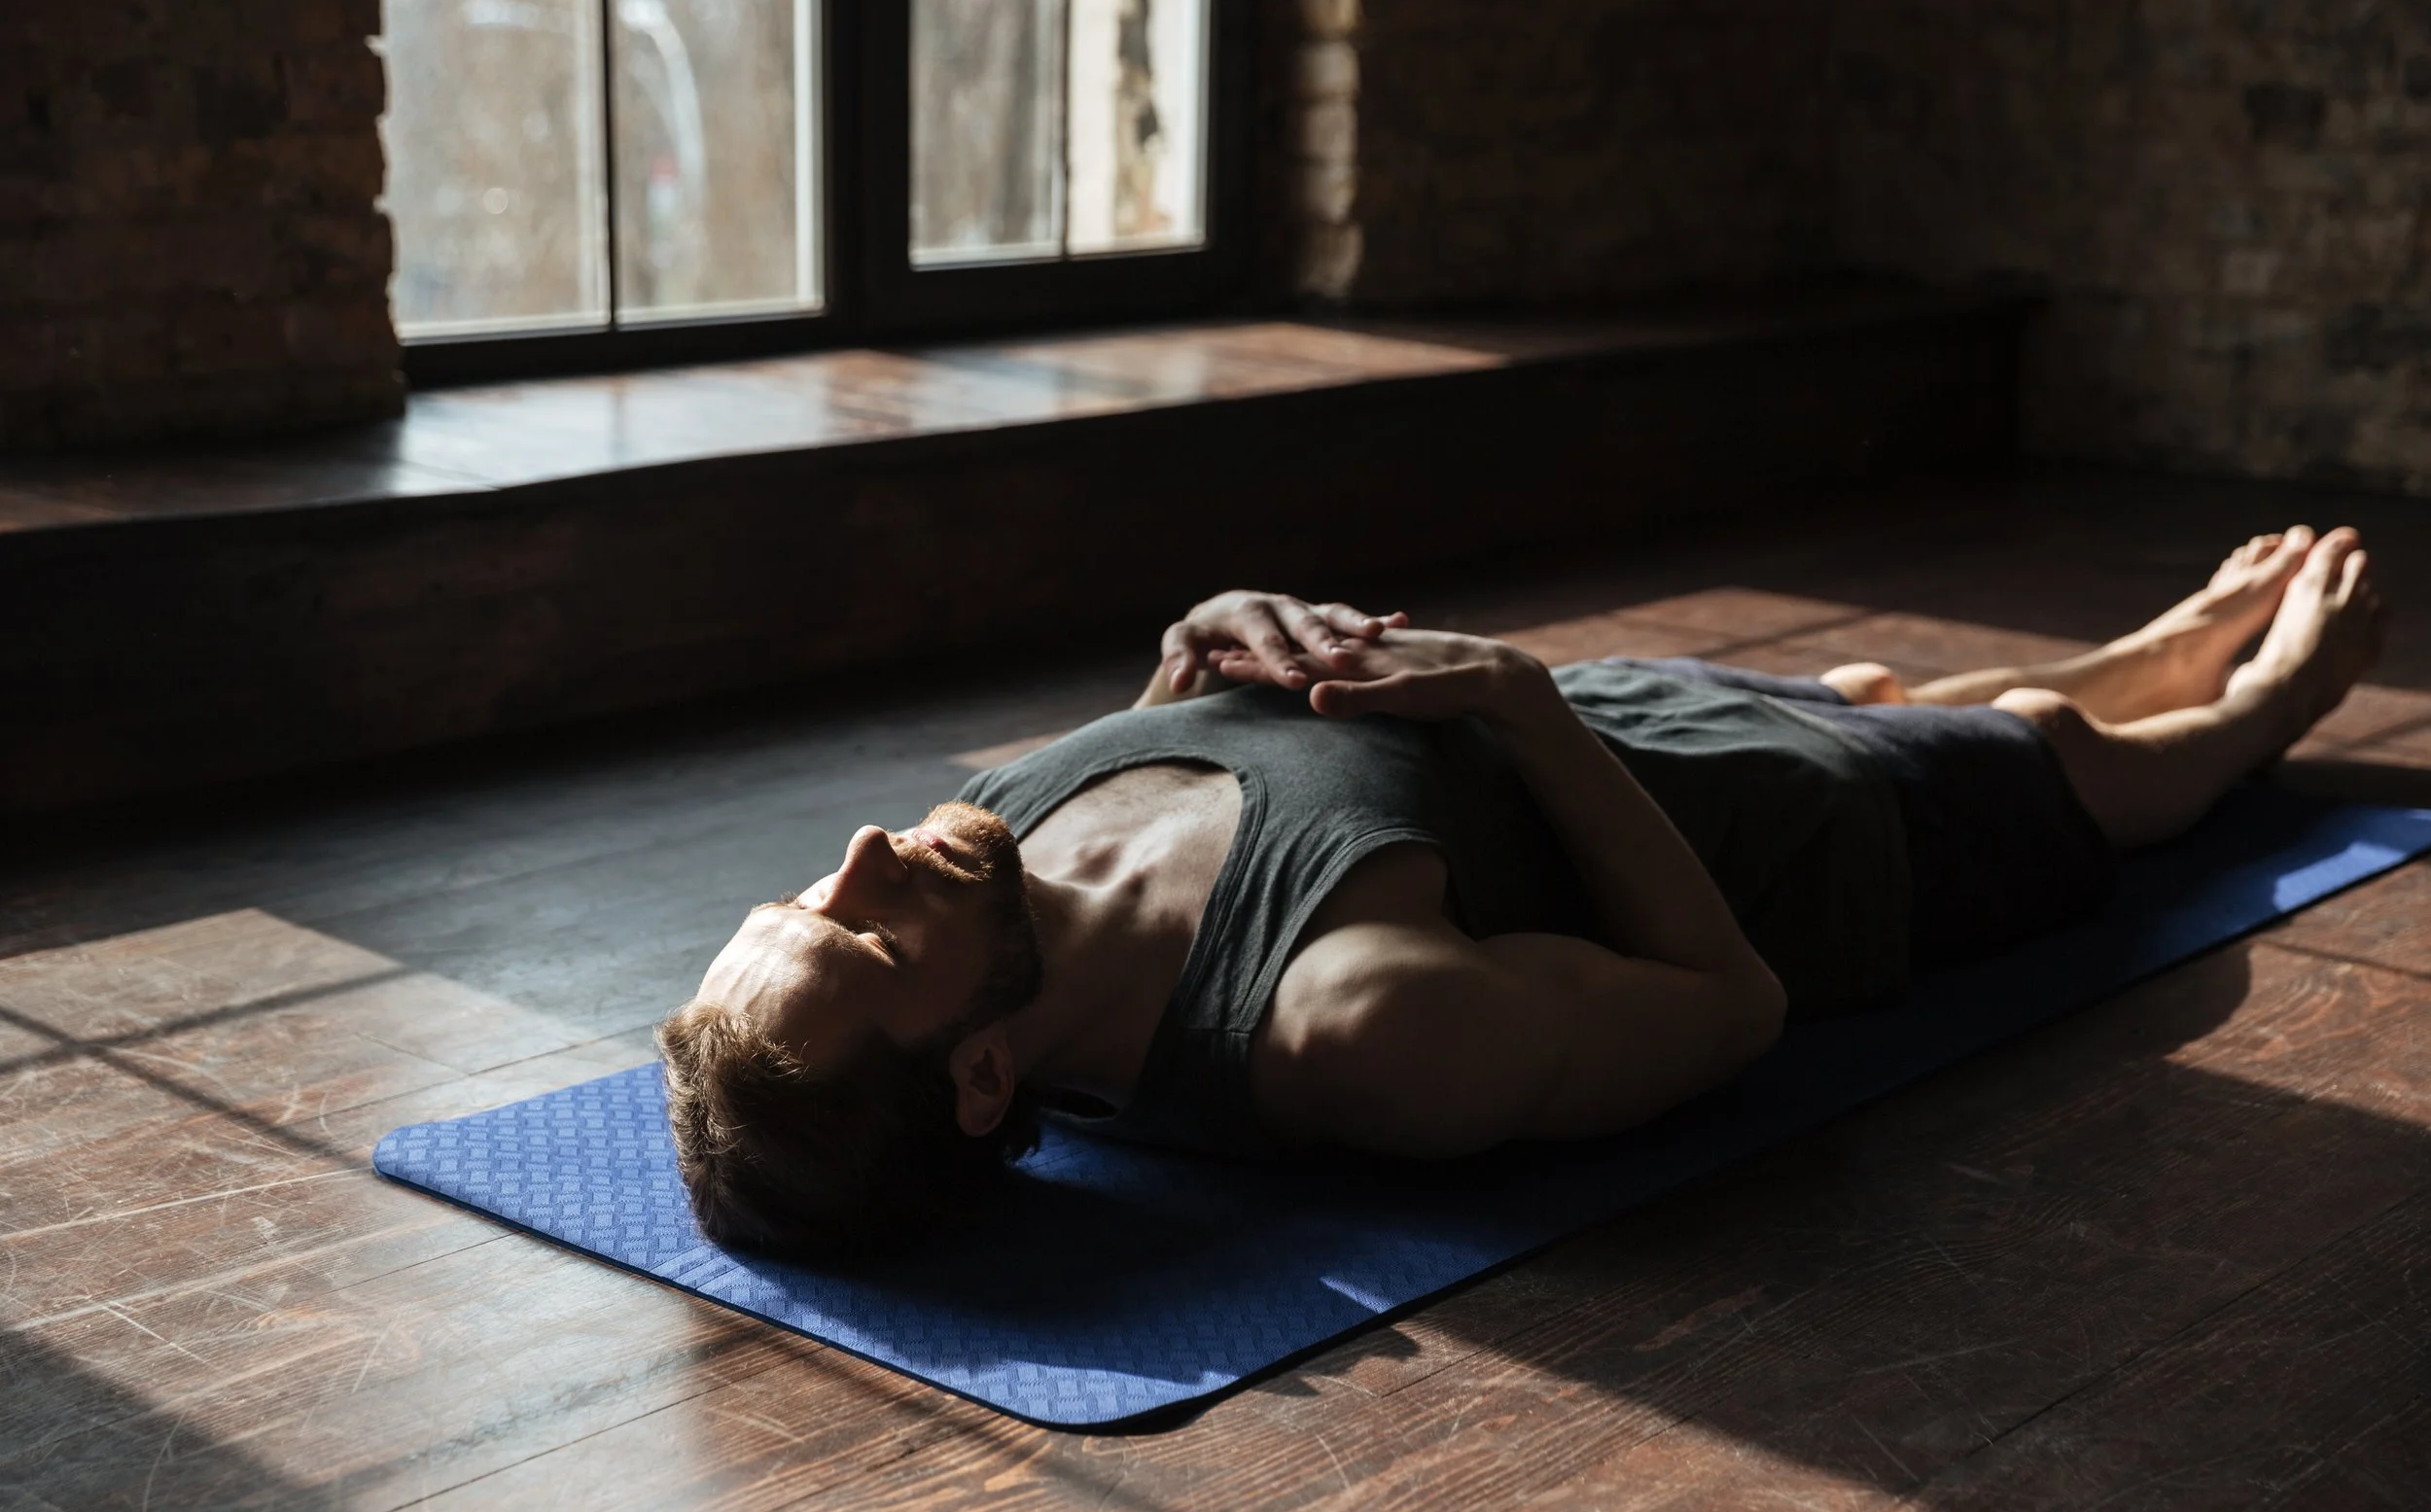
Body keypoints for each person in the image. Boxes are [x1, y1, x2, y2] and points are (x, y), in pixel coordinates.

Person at [659, 525, 2385, 1257]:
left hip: (1627, 712)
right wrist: (1522, 705)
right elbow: (1738, 1008)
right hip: (1837, 841)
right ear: (976, 1075)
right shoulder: (1350, 1025)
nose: (872, 852)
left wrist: (1201, 649)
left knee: (1864, 675)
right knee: (2070, 748)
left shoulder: (982, 862)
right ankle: (2262, 692)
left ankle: (2157, 639)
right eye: (860, 929)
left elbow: (1263, 759)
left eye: (809, 883)